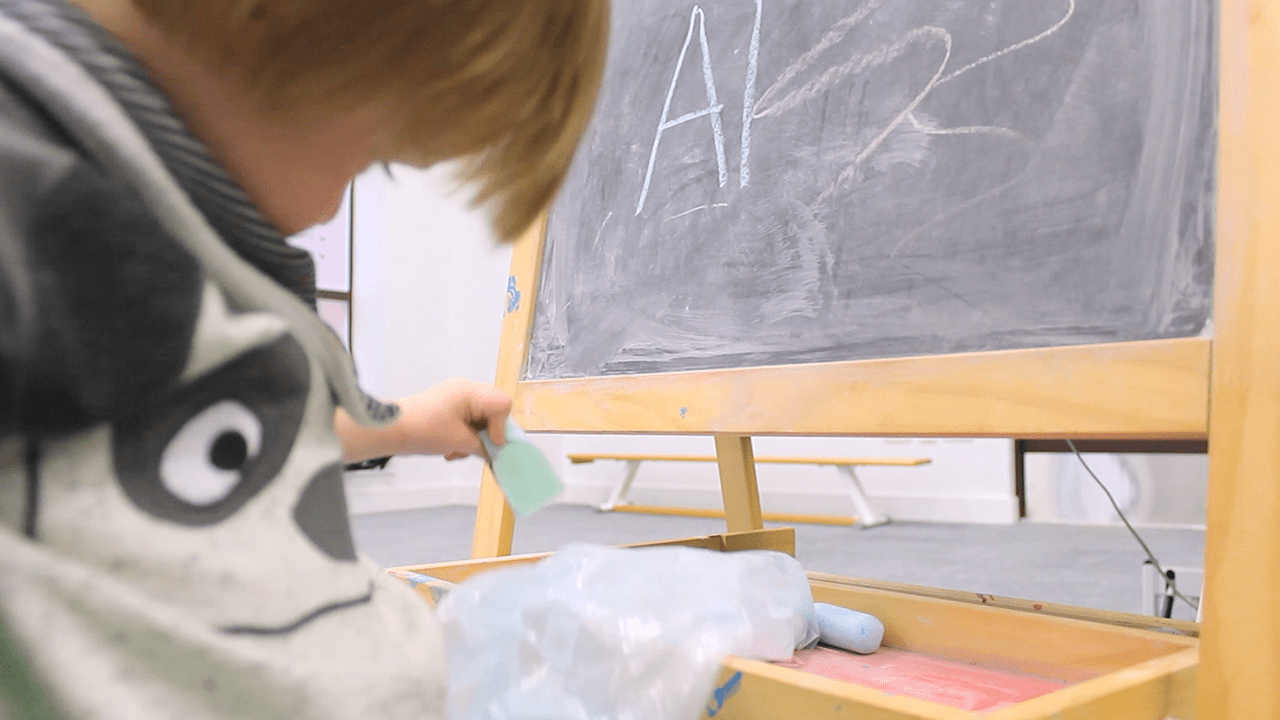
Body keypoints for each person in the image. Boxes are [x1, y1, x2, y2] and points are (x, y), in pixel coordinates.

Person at [0, 0, 608, 718]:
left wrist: (408, 423)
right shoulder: (32, 180)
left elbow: (211, 422)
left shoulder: (176, 218)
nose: (329, 212)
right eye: (375, 161)